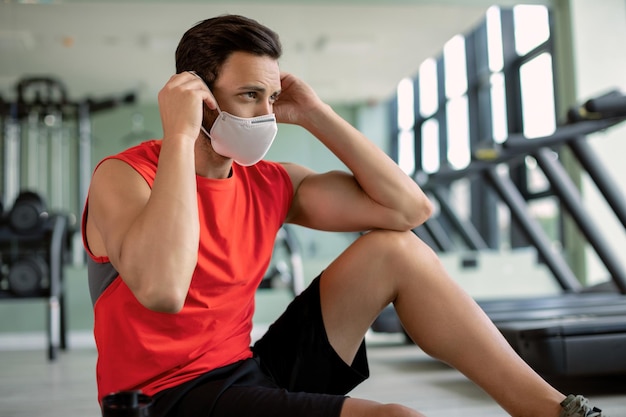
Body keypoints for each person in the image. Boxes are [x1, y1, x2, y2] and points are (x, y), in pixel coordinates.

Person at [82, 14, 608, 417]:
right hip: (165, 400)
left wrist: (315, 114)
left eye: (270, 97)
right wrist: (177, 135)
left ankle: (550, 410)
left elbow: (408, 209)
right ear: (198, 96)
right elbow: (162, 289)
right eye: (249, 95)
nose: (266, 113)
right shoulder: (124, 176)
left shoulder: (270, 182)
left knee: (394, 250)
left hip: (245, 370)